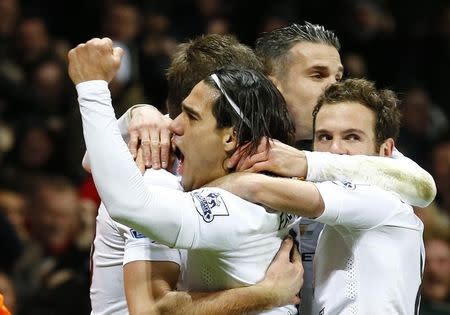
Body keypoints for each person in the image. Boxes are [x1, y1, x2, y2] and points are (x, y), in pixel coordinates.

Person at [123, 23, 436, 313]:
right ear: (272, 86)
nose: (331, 88)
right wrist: (137, 113)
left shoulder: (346, 157)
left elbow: (422, 186)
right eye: (317, 75)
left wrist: (307, 162)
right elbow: (150, 307)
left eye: (337, 77)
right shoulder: (181, 149)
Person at [70, 37, 303, 314]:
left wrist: (93, 87)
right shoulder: (156, 176)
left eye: (191, 116)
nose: (173, 125)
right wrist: (267, 293)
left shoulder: (265, 190)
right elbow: (152, 309)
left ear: (232, 134)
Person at [211, 78, 426, 314]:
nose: (334, 149)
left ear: (385, 151)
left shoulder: (380, 200)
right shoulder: (325, 213)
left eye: (352, 137)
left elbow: (255, 188)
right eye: (324, 137)